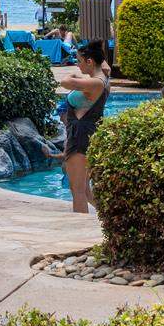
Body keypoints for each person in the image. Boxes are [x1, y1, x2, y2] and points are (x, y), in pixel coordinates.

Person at [59, 39, 111, 214]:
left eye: (79, 61)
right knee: (86, 190)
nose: (77, 65)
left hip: (80, 136)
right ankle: (110, 216)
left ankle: (78, 228)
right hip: (83, 133)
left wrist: (72, 77)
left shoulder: (96, 83)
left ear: (90, 61)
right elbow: (104, 65)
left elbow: (64, 82)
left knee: (78, 191)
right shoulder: (103, 77)